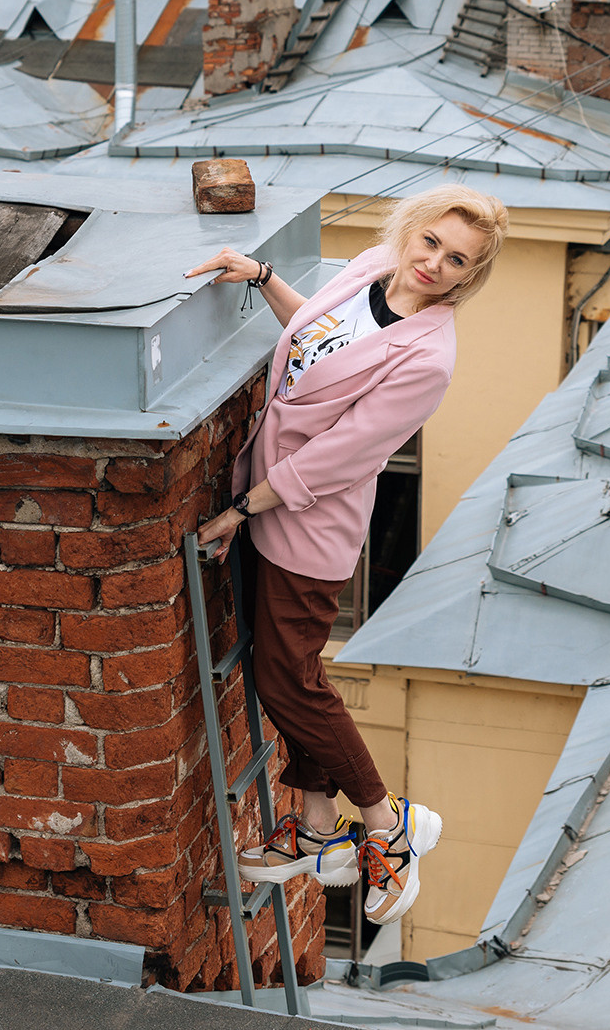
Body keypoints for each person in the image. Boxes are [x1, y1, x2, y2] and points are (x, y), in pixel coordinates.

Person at [183, 184, 509, 928]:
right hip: (272, 494)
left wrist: (240, 509)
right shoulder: (369, 265)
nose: (433, 262)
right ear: (412, 230)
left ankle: (387, 822)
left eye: (456, 259)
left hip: (309, 521)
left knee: (288, 680)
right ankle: (319, 826)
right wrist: (264, 277)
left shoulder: (429, 357)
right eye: (430, 241)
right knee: (288, 670)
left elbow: (338, 455)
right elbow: (315, 341)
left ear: (470, 274)